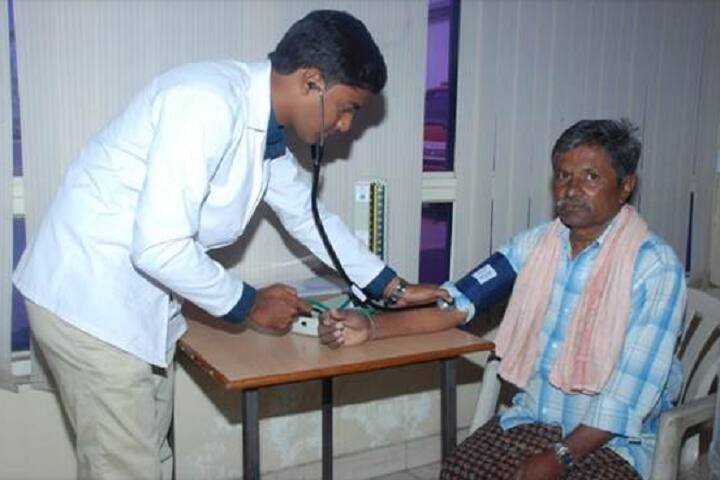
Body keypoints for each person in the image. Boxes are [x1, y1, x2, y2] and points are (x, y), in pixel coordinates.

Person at [12, 10, 448, 480]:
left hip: (137, 301)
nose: (345, 125)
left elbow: (309, 217)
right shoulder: (207, 103)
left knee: (150, 456)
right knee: (124, 469)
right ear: (312, 81)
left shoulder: (265, 133)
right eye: (347, 108)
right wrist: (250, 304)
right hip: (90, 299)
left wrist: (391, 288)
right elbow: (159, 246)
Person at [320, 119, 687, 480]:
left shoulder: (653, 267)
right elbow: (455, 305)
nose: (572, 189)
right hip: (533, 419)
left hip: (613, 443)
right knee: (459, 470)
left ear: (625, 186)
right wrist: (370, 327)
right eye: (563, 175)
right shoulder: (537, 245)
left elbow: (625, 399)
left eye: (591, 177)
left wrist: (559, 456)